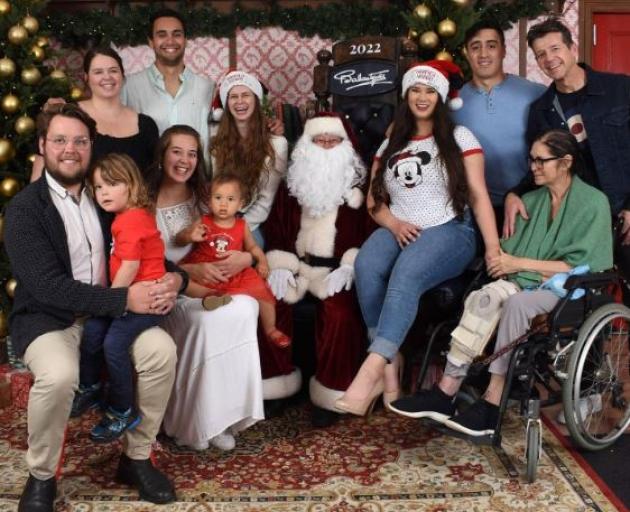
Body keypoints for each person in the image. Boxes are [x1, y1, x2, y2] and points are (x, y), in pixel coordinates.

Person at [5, 104, 181, 510]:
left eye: (80, 141)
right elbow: (47, 287)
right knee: (60, 375)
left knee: (161, 353)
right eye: (61, 140)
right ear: (43, 145)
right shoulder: (25, 210)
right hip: (50, 319)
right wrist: (121, 299)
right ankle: (42, 476)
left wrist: (176, 279)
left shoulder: (106, 199)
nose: (71, 149)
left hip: (111, 312)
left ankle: (136, 458)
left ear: (91, 146)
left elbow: (144, 250)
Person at [390, 129, 613, 436]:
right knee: (484, 298)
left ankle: (492, 403)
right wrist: (502, 262)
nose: (532, 167)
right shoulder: (529, 201)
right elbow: (507, 255)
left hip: (569, 290)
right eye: (531, 160)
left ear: (566, 162)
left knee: (518, 304)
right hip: (523, 281)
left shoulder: (593, 203)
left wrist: (517, 264)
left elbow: (580, 266)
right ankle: (445, 392)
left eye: (540, 161)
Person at [335, 60, 500, 417]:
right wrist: (394, 225)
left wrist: (493, 249)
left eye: (429, 90)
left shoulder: (460, 138)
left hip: (450, 229)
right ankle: (391, 369)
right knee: (366, 264)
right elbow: (374, 202)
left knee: (406, 273)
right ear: (406, 95)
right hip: (401, 226)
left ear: (440, 97)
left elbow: (478, 195)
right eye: (415, 90)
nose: (422, 97)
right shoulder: (392, 141)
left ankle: (371, 368)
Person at [146, 125, 264, 452]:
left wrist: (244, 259)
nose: (185, 160)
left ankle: (224, 418)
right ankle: (194, 423)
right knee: (207, 321)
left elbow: (238, 239)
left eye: (192, 153)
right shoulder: (145, 201)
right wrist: (189, 270)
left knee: (246, 307)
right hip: (171, 290)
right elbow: (142, 264)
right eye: (177, 151)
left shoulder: (205, 198)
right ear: (162, 154)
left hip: (216, 283)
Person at [264, 112, 372, 426]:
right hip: (298, 268)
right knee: (270, 302)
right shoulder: (292, 186)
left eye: (333, 139)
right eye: (318, 139)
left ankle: (331, 393)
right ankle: (276, 387)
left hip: (337, 270)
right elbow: (276, 228)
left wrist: (353, 264)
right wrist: (280, 264)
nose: (325, 145)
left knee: (340, 312)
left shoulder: (359, 191)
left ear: (346, 145)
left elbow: (369, 233)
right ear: (306, 145)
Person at [504, 18, 630, 277]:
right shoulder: (541, 110)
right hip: (581, 216)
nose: (549, 59)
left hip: (623, 209)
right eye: (541, 54)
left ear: (571, 48)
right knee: (589, 293)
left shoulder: (621, 88)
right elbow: (540, 165)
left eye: (555, 49)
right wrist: (514, 194)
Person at [72, 154, 167, 443]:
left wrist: (112, 302)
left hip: (144, 299)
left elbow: (130, 266)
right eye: (99, 187)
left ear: (132, 185)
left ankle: (121, 410)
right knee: (93, 329)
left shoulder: (131, 220)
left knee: (113, 344)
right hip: (126, 296)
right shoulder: (124, 218)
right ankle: (90, 387)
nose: (104, 193)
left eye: (112, 184)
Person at [177, 173, 291, 348]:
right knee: (186, 281)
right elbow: (180, 239)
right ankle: (211, 296)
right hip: (207, 267)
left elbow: (252, 248)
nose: (223, 204)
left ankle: (270, 329)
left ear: (241, 203)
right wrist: (189, 235)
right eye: (218, 198)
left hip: (235, 271)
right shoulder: (204, 220)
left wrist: (262, 262)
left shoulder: (241, 225)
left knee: (262, 291)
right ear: (209, 201)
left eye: (230, 199)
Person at [451, 19, 544, 227]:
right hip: (471, 212)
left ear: (503, 51)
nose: (483, 54)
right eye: (476, 47)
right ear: (467, 53)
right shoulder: (452, 103)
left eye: (491, 46)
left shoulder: (535, 93)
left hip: (527, 205)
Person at [32, 47, 159, 182]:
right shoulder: (68, 116)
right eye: (98, 72)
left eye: (113, 71)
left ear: (122, 75)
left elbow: (153, 181)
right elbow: (39, 177)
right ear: (87, 77)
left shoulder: (146, 125)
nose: (107, 77)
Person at [122, 8, 214, 159]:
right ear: (151, 42)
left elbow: (223, 131)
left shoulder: (206, 87)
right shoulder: (129, 86)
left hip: (194, 179)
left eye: (176, 34)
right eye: (162, 35)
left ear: (185, 40)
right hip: (144, 178)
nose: (170, 41)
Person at [210, 70, 288, 248]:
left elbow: (265, 201)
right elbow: (209, 186)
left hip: (249, 222)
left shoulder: (277, 144)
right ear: (227, 103)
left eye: (245, 95)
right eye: (233, 97)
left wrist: (236, 227)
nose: (239, 102)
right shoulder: (214, 141)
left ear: (256, 99)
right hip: (216, 216)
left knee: (239, 254)